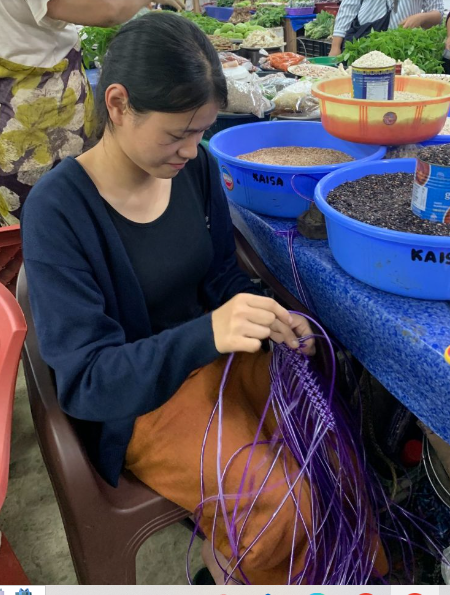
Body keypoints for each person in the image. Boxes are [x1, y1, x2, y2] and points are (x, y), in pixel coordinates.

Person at [21, 12, 387, 585]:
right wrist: (208, 332)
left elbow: (221, 278)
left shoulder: (194, 170)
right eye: (176, 134)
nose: (191, 151)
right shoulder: (58, 210)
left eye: (201, 132)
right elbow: (88, 380)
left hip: (215, 362)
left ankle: (345, 571)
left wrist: (272, 317)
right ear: (117, 105)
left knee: (334, 447)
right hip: (139, 404)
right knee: (281, 507)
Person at [0, 0, 183, 227]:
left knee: (83, 209)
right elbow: (108, 9)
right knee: (49, 222)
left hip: (58, 104)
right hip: (30, 125)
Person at [330, 0, 444, 57]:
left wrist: (422, 17)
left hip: (402, 50)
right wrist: (335, 47)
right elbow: (349, 7)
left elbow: (438, 13)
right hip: (364, 44)